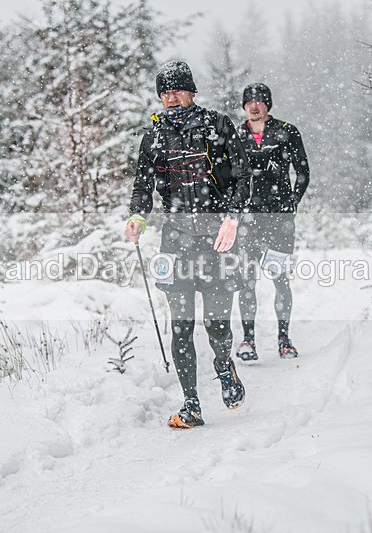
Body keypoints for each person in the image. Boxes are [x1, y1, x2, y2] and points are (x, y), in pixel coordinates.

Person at [124, 60, 253, 429]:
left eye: (177, 90)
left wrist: (231, 217)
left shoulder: (218, 125)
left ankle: (225, 366)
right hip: (176, 240)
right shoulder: (155, 136)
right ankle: (191, 405)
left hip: (218, 239)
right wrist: (137, 216)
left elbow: (243, 176)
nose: (171, 98)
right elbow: (142, 185)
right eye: (164, 93)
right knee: (181, 325)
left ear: (192, 92)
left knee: (216, 325)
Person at [234, 83, 310, 361]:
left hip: (279, 218)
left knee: (280, 279)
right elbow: (227, 175)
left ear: (268, 105)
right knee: (247, 281)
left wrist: (293, 200)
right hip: (247, 219)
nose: (254, 106)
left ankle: (284, 339)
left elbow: (302, 171)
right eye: (249, 101)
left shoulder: (287, 132)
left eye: (260, 101)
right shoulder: (236, 135)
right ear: (244, 106)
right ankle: (248, 341)